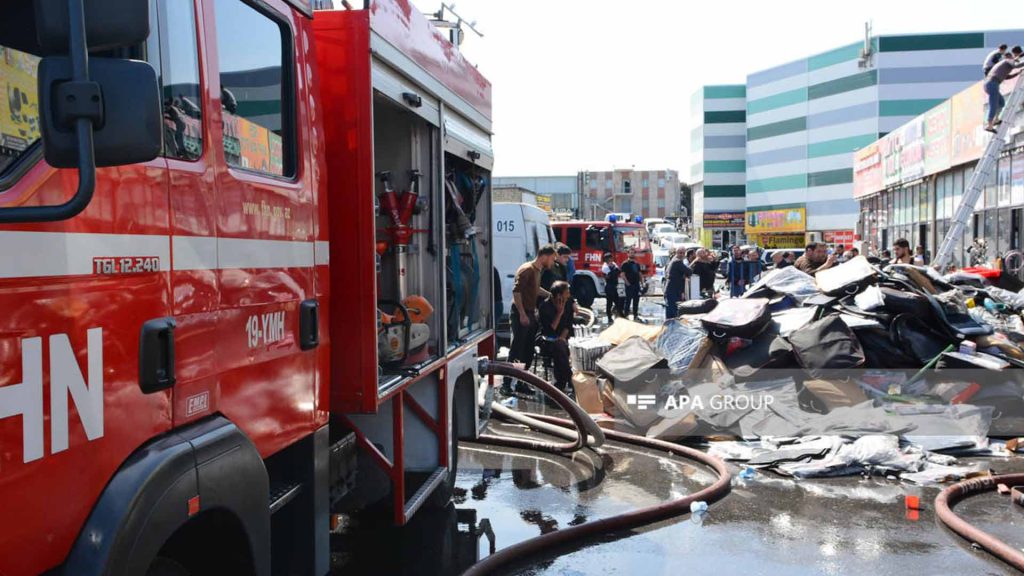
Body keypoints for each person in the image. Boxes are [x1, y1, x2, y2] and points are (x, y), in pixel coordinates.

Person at [504, 244, 556, 396]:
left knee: (528, 350)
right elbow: (517, 291)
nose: (552, 263)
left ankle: (521, 382)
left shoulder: (538, 270)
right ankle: (507, 384)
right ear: (544, 256)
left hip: (530, 312)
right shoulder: (527, 269)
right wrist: (522, 314)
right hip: (521, 313)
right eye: (552, 259)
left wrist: (551, 296)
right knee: (516, 350)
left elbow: (536, 289)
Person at [537, 281, 574, 394]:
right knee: (559, 347)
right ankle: (570, 379)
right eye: (566, 293)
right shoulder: (545, 306)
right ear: (558, 295)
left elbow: (568, 325)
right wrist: (559, 313)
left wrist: (562, 338)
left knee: (560, 346)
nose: (569, 295)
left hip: (562, 340)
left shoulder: (567, 303)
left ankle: (561, 382)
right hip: (546, 340)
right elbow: (549, 331)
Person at [984, 48, 1023, 132]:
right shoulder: (1007, 60)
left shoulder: (1004, 65)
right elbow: (1016, 65)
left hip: (992, 84)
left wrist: (1017, 73)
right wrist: (1017, 62)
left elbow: (1007, 76)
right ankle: (989, 125)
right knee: (993, 104)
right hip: (992, 83)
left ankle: (996, 120)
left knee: (1001, 103)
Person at [664, 246, 690, 319]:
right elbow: (689, 271)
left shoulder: (674, 260)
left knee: (671, 310)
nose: (681, 254)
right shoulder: (677, 261)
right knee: (673, 311)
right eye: (680, 253)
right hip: (672, 289)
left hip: (672, 289)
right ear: (676, 253)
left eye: (683, 253)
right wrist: (685, 273)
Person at [620, 250, 643, 321]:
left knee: (636, 301)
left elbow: (639, 274)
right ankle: (626, 315)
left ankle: (635, 315)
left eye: (633, 253)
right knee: (628, 301)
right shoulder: (625, 264)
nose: (632, 254)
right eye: (631, 253)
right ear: (628, 254)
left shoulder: (636, 264)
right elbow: (622, 274)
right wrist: (627, 283)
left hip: (636, 285)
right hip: (629, 285)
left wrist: (642, 283)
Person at [601, 253, 622, 323]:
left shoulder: (613, 264)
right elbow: (610, 275)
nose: (611, 260)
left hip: (614, 286)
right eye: (609, 258)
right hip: (609, 286)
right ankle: (609, 317)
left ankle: (620, 315)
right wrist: (613, 269)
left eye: (611, 258)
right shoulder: (605, 266)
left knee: (618, 302)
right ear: (606, 259)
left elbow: (618, 271)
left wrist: (614, 269)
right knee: (609, 303)